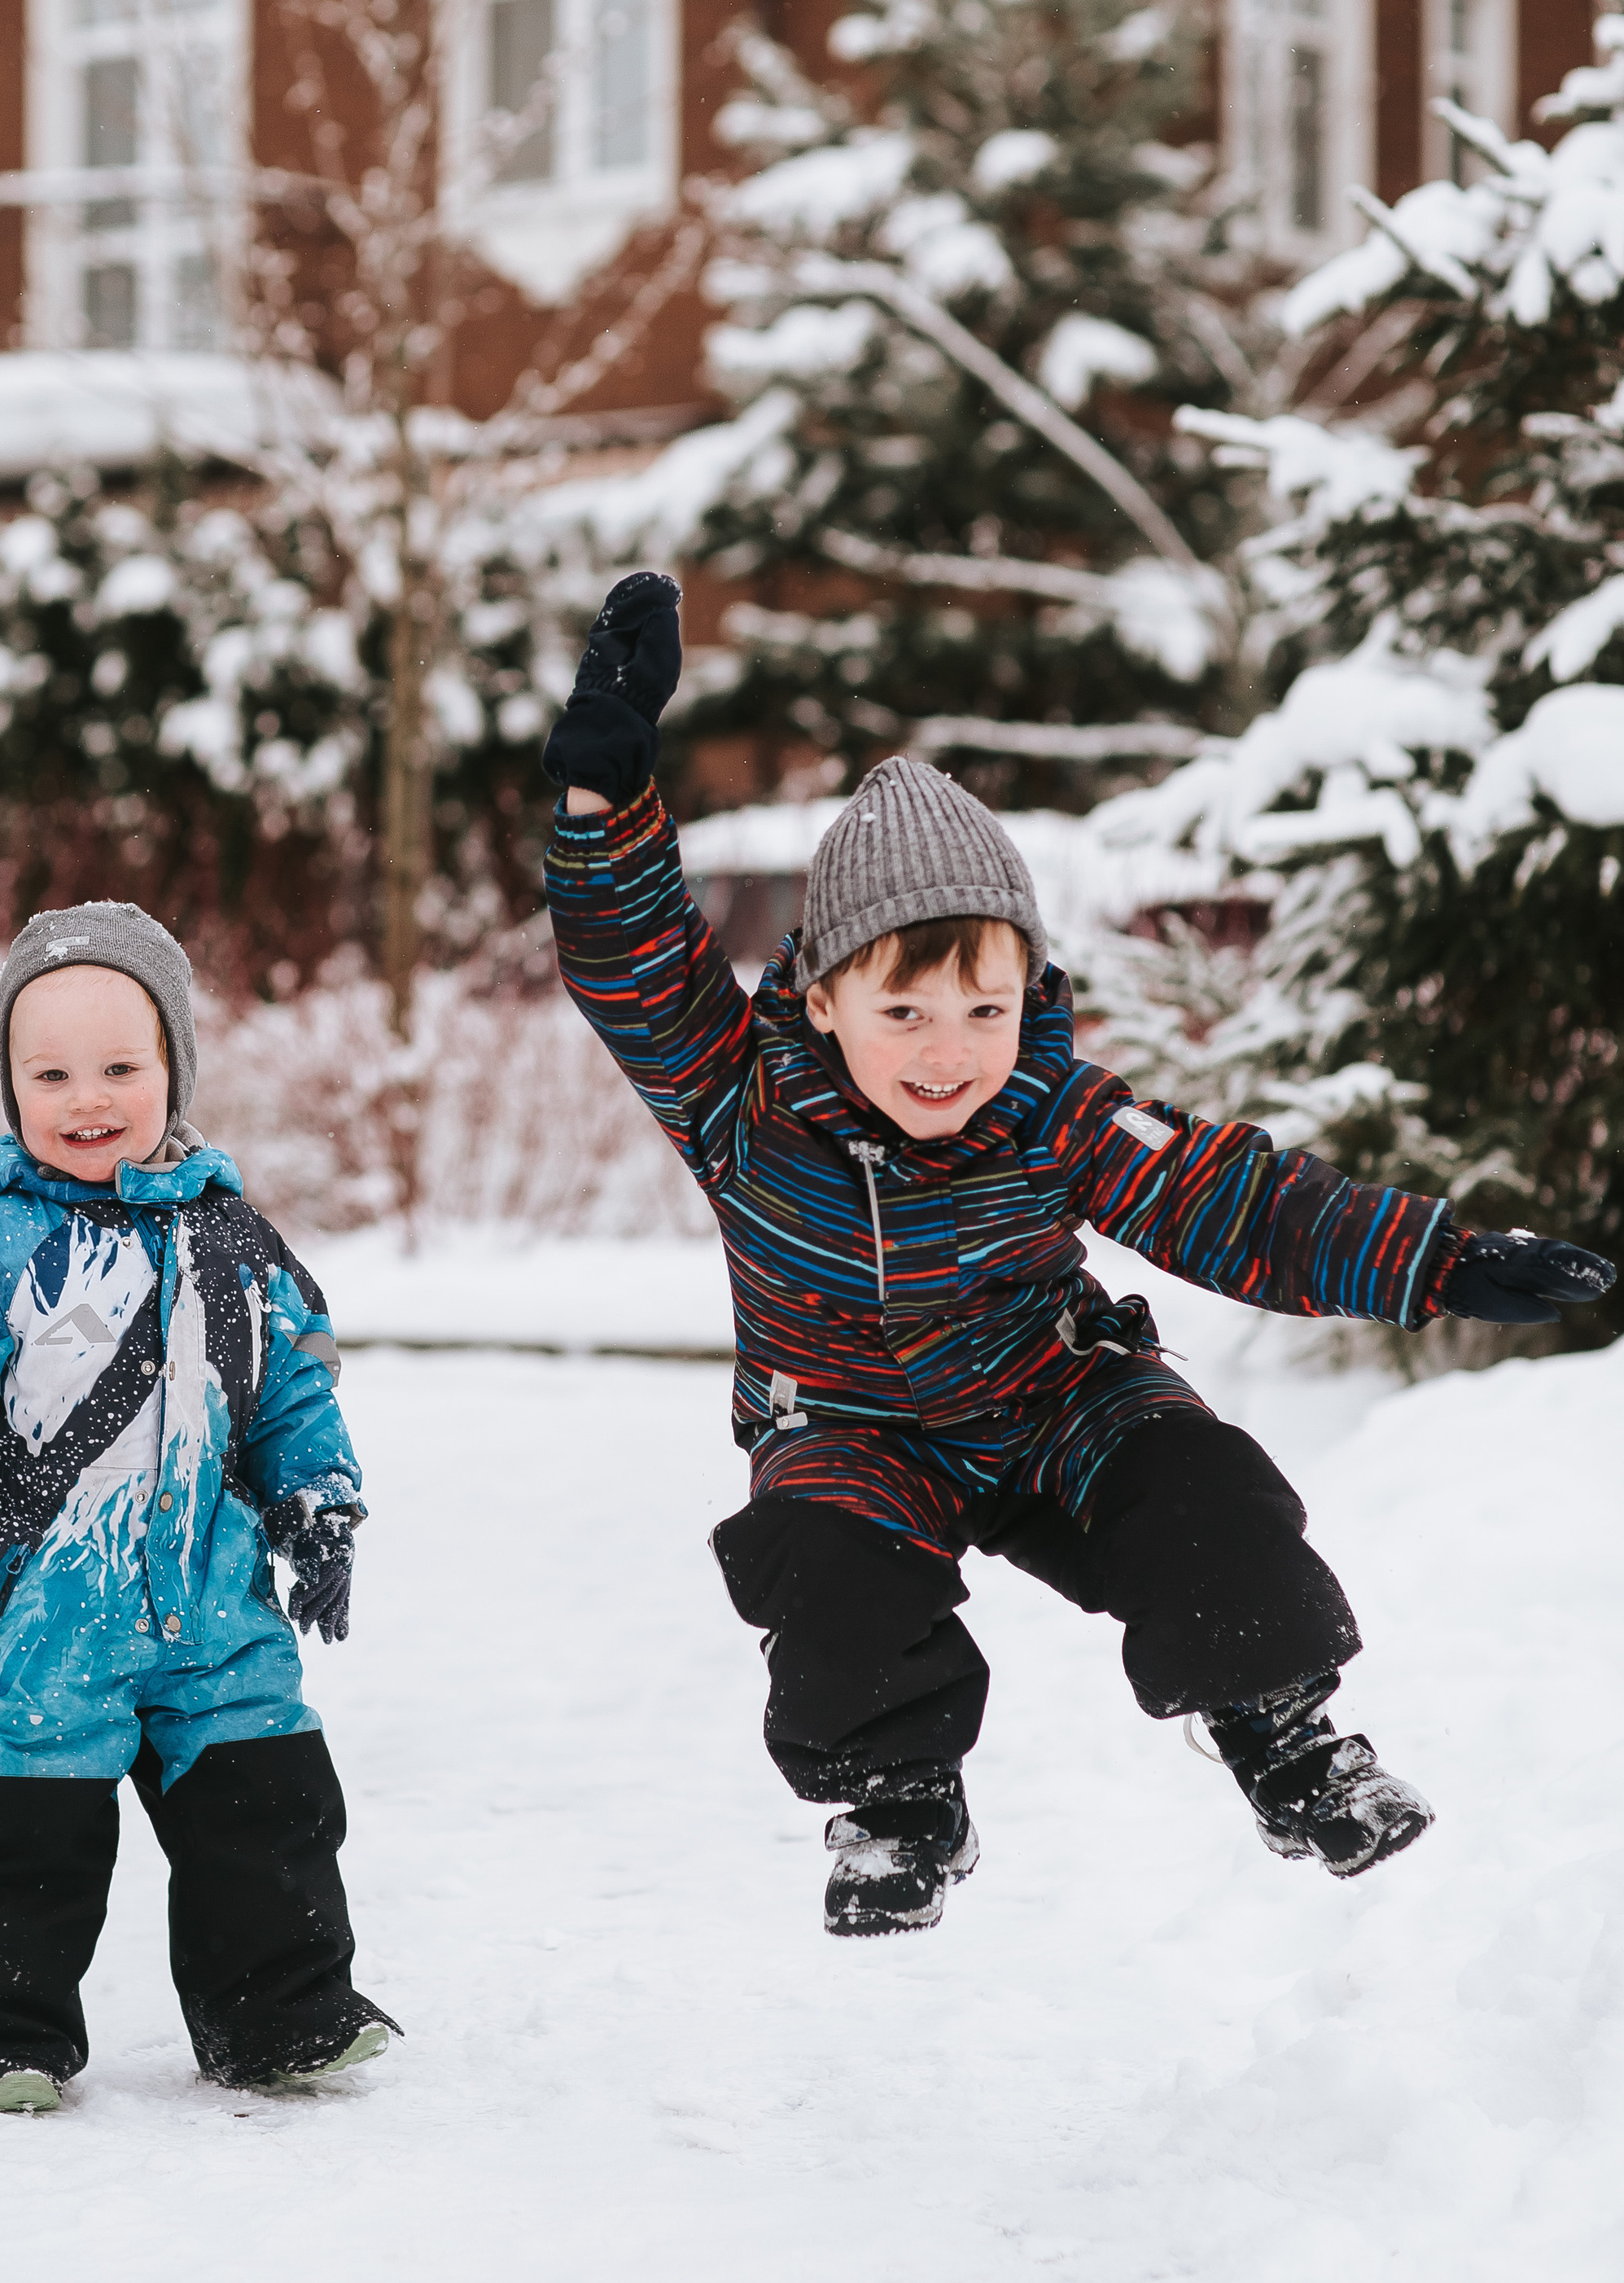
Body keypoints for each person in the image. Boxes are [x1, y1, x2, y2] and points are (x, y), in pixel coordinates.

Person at [541, 576, 1616, 1937]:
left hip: (1057, 1398)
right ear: (820, 997)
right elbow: (630, 955)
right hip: (852, 1426)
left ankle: (1284, 1737)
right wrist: (602, 796)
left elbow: (1244, 1204)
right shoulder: (738, 1094)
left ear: (1033, 995)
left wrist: (1441, 1261)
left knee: (1208, 1493)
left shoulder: (1061, 1108)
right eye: (906, 1008)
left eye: (987, 1005)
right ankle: (896, 1803)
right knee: (820, 1566)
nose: (949, 1050)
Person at [0, 900, 397, 2106]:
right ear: (12, 1087)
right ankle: (1, 2036)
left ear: (173, 1071)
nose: (89, 1097)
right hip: (42, 1616)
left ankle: (282, 2016)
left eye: (121, 1067)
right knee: (19, 1835)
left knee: (269, 1808)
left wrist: (320, 1507)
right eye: (53, 1072)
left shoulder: (239, 1245)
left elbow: (294, 1387)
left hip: (214, 1599)